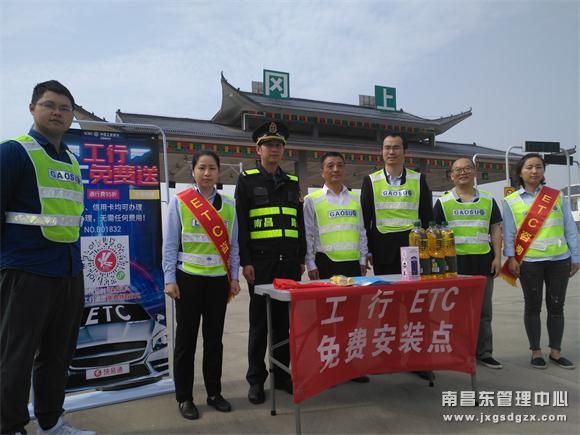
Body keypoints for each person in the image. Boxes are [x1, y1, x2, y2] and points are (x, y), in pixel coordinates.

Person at [0, 81, 94, 434]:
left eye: (64, 108)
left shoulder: (72, 161)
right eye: (49, 105)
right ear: (32, 108)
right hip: (25, 272)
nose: (57, 113)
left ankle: (51, 423)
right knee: (15, 356)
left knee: (58, 355)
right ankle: (10, 426)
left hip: (69, 272)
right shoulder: (13, 152)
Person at [163, 150, 241, 420]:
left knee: (214, 340)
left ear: (219, 172)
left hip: (218, 281)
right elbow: (170, 243)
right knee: (186, 340)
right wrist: (169, 279)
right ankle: (184, 397)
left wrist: (234, 277)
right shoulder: (180, 201)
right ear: (193, 171)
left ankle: (214, 393)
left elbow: (234, 246)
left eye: (212, 168)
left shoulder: (229, 205)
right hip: (188, 279)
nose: (207, 173)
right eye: (202, 168)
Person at [235, 120, 306, 404]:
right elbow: (242, 225)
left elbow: (298, 224)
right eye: (268, 145)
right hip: (261, 265)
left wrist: (300, 258)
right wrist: (245, 261)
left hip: (288, 264)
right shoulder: (247, 180)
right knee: (259, 325)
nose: (274, 149)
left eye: (278, 145)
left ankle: (282, 376)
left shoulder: (292, 183)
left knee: (282, 325)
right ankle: (256, 380)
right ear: (258, 149)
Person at [502, 153, 579, 370]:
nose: (534, 171)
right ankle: (536, 352)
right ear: (520, 172)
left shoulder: (556, 196)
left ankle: (556, 352)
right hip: (530, 262)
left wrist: (576, 256)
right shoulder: (511, 201)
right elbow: (509, 233)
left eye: (538, 167)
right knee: (532, 306)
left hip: (559, 260)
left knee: (557, 306)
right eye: (529, 167)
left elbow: (570, 228)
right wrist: (511, 258)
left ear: (543, 171)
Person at [304, 151, 370, 383]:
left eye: (339, 165)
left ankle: (349, 365)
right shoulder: (312, 200)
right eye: (330, 166)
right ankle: (327, 366)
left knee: (351, 318)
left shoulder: (355, 199)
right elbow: (308, 233)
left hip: (352, 265)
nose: (335, 170)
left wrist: (362, 259)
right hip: (326, 264)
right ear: (322, 171)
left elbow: (361, 231)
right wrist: (310, 261)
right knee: (326, 318)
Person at [433, 158, 503, 369]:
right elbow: (435, 234)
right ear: (451, 175)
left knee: (484, 312)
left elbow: (495, 229)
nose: (462, 172)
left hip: (483, 261)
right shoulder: (443, 202)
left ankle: (485, 352)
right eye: (458, 170)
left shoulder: (488, 200)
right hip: (455, 265)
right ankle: (460, 352)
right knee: (456, 312)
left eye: (467, 169)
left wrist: (498, 257)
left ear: (474, 172)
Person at [361, 131, 433, 275]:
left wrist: (428, 248)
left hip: (413, 248)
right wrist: (367, 250)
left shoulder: (418, 179)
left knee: (412, 288)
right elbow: (365, 219)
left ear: (405, 152)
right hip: (382, 250)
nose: (391, 152)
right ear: (382, 151)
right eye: (387, 148)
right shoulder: (370, 181)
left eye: (396, 147)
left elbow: (427, 217)